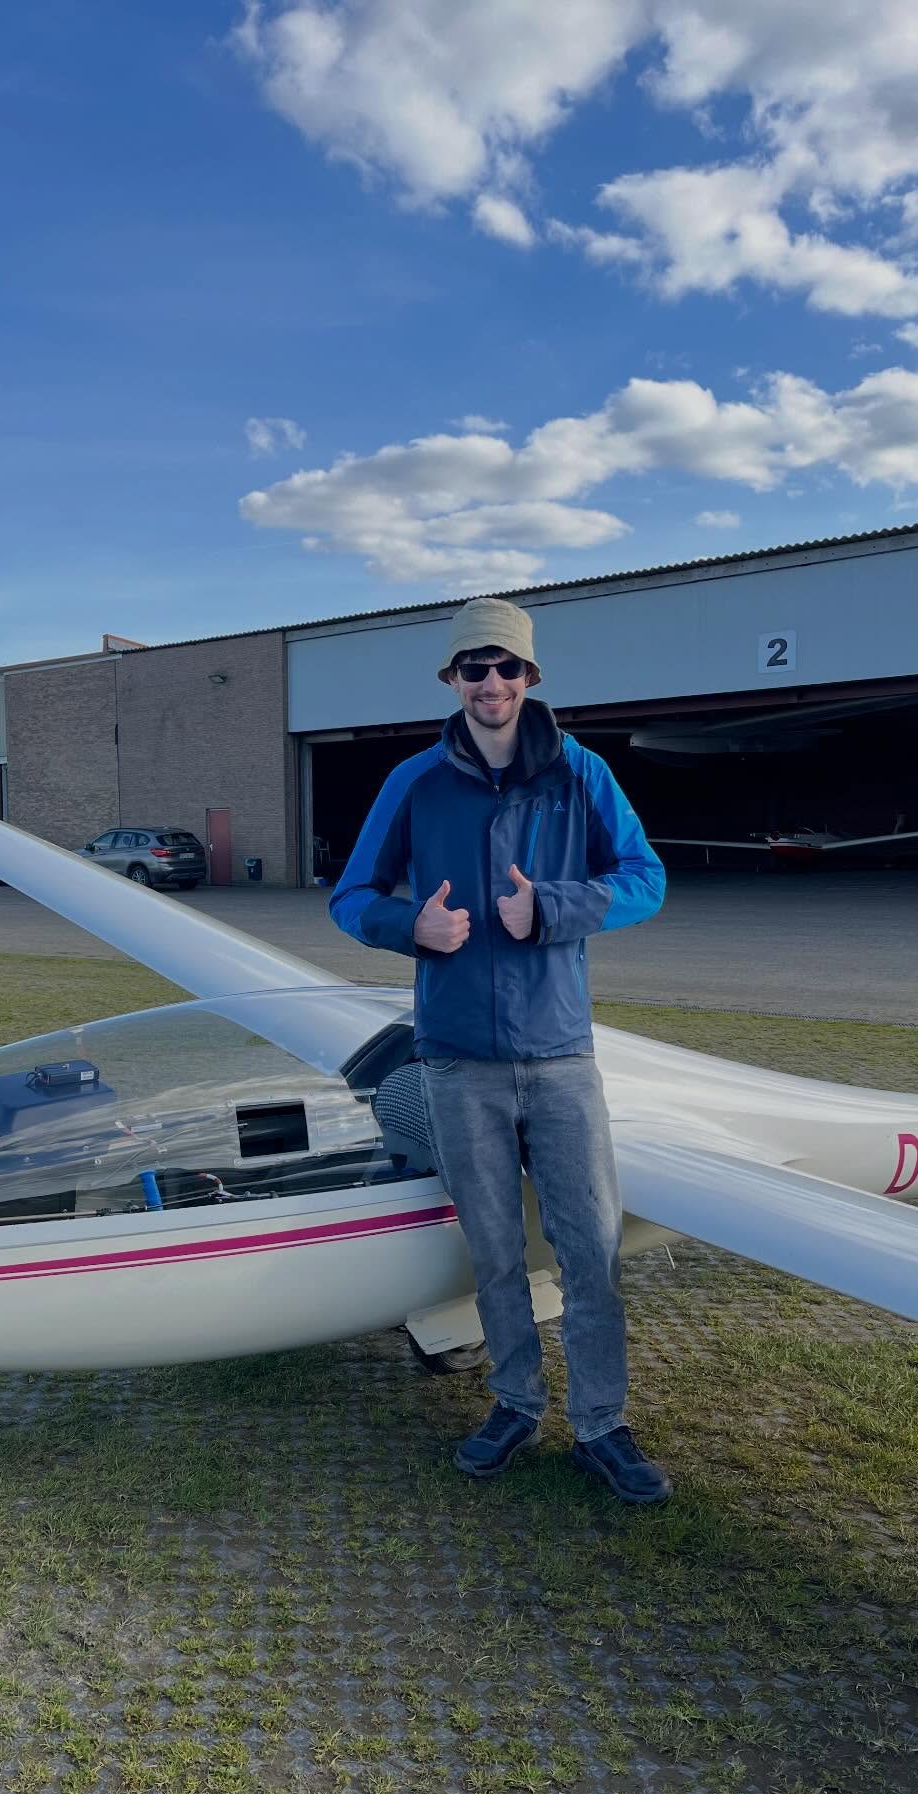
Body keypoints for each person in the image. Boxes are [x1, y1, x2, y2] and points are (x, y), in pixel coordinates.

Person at [330, 597, 671, 1503]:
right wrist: (414, 927)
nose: (491, 683)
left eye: (507, 668)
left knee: (588, 1246)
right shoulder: (413, 781)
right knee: (492, 1248)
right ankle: (515, 1400)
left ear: (531, 679)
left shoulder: (582, 773)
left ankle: (602, 1423)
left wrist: (550, 908)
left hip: (559, 1054)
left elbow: (646, 878)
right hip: (456, 1059)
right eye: (474, 668)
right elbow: (350, 896)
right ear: (451, 679)